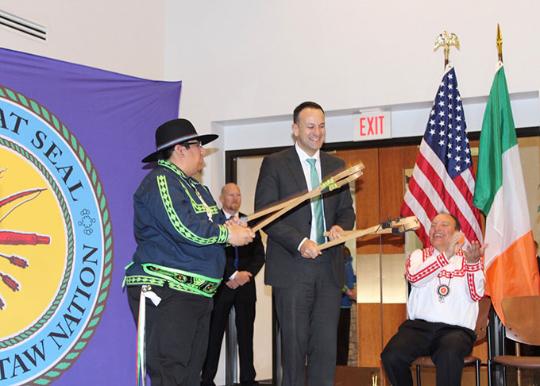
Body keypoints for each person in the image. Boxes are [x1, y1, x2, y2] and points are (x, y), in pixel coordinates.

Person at [124, 118, 254, 386]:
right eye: (198, 145)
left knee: (190, 374)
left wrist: (232, 229)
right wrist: (227, 234)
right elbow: (183, 226)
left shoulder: (199, 189)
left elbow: (212, 228)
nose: (203, 151)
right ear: (180, 149)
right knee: (170, 371)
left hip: (198, 293)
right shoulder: (161, 180)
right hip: (168, 290)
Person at [254, 101, 355, 386]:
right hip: (292, 268)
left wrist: (340, 227)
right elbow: (266, 213)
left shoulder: (337, 166)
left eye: (322, 126)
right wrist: (299, 242)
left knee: (325, 350)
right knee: (295, 350)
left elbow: (347, 211)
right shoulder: (275, 164)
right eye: (310, 126)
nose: (317, 132)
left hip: (328, 270)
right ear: (295, 129)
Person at [381, 212, 486, 386]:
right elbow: (415, 278)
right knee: (391, 356)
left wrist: (474, 265)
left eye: (444, 225)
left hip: (456, 331)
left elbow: (476, 294)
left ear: (458, 234)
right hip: (418, 329)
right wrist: (446, 256)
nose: (436, 228)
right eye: (433, 225)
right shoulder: (418, 255)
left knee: (449, 354)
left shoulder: (470, 259)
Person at [201, 183, 265, 386]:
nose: (235, 198)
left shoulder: (249, 221)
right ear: (221, 198)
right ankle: (207, 379)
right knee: (214, 334)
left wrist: (247, 275)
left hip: (246, 287)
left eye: (238, 195)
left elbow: (259, 255)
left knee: (246, 335)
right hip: (221, 287)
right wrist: (231, 275)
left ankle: (248, 379)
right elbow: (212, 253)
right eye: (230, 195)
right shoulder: (214, 222)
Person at [336, 246, 356, 366]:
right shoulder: (345, 261)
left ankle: (340, 367)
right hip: (342, 305)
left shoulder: (345, 259)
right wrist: (349, 292)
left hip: (343, 305)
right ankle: (341, 367)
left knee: (340, 341)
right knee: (342, 341)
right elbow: (341, 283)